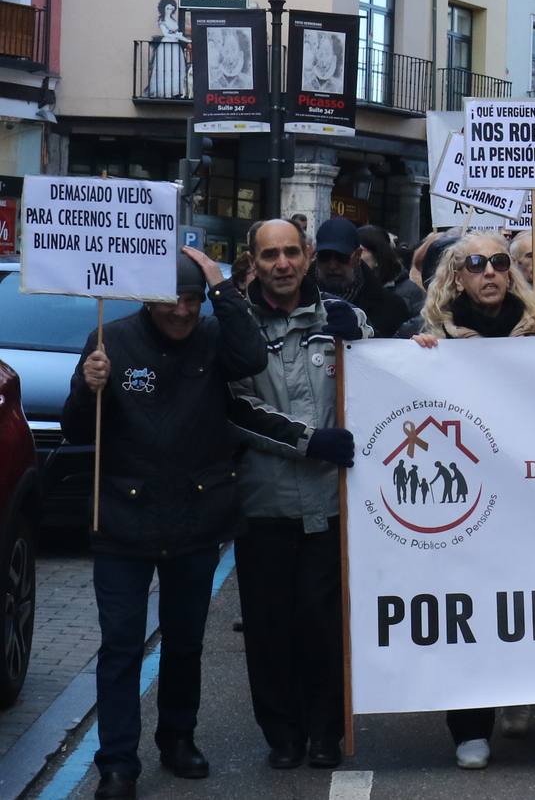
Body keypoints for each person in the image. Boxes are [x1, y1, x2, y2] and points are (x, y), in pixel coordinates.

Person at [63, 249, 267, 800]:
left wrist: (220, 288)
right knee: (122, 645)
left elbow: (252, 357)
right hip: (123, 518)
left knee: (185, 642)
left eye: (191, 301)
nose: (181, 311)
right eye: (170, 300)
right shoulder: (111, 340)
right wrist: (89, 384)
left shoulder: (210, 334)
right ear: (147, 300)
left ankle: (177, 737)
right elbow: (75, 425)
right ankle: (117, 763)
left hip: (195, 514)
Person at [225, 219, 368, 771]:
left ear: (307, 256)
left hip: (332, 507)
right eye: (269, 255)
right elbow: (235, 408)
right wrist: (310, 442)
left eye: (291, 253)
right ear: (253, 262)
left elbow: (389, 380)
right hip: (264, 505)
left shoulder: (345, 318)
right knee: (267, 629)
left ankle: (325, 731)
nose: (281, 264)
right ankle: (281, 734)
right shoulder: (236, 326)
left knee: (325, 627)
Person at [410, 232, 535, 768]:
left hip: (528, 495)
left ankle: (517, 691)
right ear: (457, 275)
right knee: (466, 606)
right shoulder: (431, 335)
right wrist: (416, 358)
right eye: (476, 263)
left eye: (499, 262)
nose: (490, 271)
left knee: (521, 602)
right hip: (463, 497)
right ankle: (470, 723)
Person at [311, 217, 407, 338]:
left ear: (357, 256)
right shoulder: (293, 299)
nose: (332, 265)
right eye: (324, 257)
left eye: (341, 257)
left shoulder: (392, 308)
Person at [358, 225, 420, 314]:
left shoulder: (411, 290)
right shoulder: (352, 287)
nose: (355, 257)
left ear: (377, 254)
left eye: (360, 251)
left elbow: (421, 323)